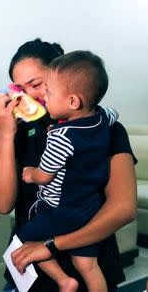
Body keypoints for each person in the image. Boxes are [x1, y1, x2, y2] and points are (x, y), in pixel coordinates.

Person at [0, 39, 137, 291]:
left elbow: (123, 209)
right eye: (20, 89)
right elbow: (2, 204)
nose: (32, 96)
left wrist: (51, 245)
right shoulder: (20, 131)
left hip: (88, 267)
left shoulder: (105, 130)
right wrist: (5, 133)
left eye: (37, 84)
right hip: (28, 273)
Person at [19, 50, 118, 292]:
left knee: (24, 241)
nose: (43, 95)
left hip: (61, 210)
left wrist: (31, 173)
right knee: (87, 265)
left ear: (73, 102)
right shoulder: (103, 117)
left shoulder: (61, 137)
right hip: (91, 208)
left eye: (48, 91)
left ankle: (64, 281)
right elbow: (115, 114)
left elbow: (45, 175)